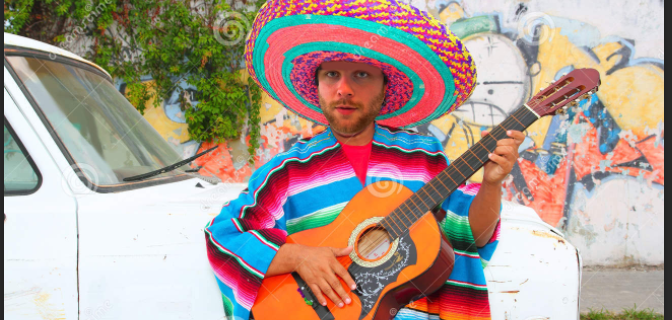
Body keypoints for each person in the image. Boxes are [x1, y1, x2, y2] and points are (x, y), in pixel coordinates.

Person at [205, 0, 525, 319]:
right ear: (317, 86)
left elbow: (469, 235)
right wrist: (298, 257)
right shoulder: (287, 172)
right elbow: (225, 235)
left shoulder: (423, 158)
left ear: (385, 88)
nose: (344, 89)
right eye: (332, 75)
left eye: (360, 75)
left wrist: (492, 184)